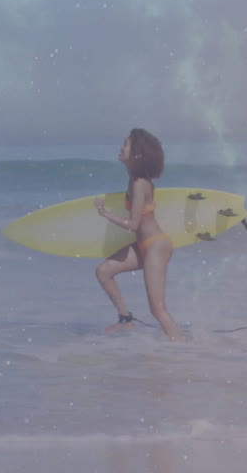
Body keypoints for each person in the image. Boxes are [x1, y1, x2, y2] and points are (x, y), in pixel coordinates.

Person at [93, 128, 183, 341]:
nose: (121, 147)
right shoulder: (134, 180)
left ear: (137, 155)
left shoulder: (139, 184)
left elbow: (132, 224)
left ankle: (182, 351)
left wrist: (104, 213)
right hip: (143, 246)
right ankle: (126, 319)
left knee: (157, 308)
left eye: (126, 144)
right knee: (104, 271)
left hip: (155, 246)